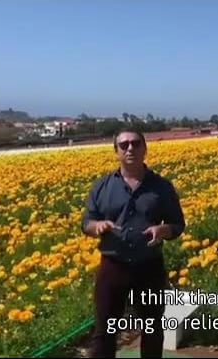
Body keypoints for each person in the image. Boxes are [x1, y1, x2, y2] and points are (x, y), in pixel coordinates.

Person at [81, 128, 186, 358]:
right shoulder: (102, 186)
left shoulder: (162, 187)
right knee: (106, 330)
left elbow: (178, 224)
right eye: (124, 144)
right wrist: (96, 227)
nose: (130, 148)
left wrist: (164, 229)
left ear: (145, 148)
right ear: (116, 151)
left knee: (152, 327)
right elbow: (86, 222)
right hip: (113, 266)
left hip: (149, 266)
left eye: (136, 143)